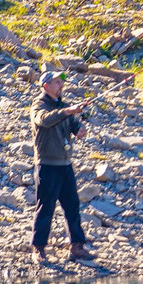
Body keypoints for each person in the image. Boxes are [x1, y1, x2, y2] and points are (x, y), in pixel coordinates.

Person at [30, 65, 90, 264]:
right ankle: (38, 248)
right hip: (47, 164)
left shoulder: (63, 106)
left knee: (72, 206)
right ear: (46, 85)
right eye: (57, 81)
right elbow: (44, 121)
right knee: (45, 208)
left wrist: (79, 129)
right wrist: (67, 111)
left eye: (61, 81)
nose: (61, 84)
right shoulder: (39, 105)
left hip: (65, 164)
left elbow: (74, 126)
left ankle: (77, 246)